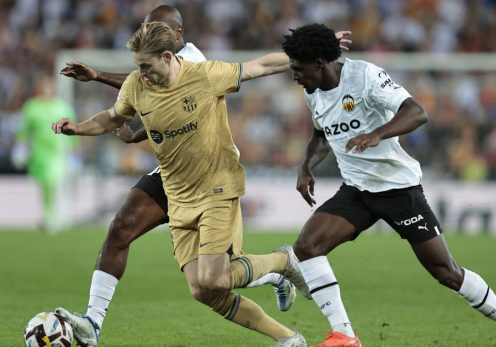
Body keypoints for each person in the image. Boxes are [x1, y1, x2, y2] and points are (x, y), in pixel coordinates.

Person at [281, 23, 496, 347]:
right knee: (307, 247)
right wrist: (306, 165)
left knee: (446, 273)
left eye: (297, 67)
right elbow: (321, 134)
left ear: (318, 62)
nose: (294, 75)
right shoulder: (312, 92)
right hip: (357, 189)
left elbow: (416, 112)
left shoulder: (364, 77)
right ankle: (345, 336)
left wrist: (378, 133)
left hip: (398, 189)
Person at [52, 21, 309, 347]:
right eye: (137, 66)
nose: (141, 72)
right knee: (204, 291)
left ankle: (283, 261)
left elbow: (260, 66)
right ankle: (289, 339)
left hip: (217, 188)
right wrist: (78, 128)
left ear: (168, 56)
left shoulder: (204, 75)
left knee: (216, 277)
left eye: (146, 65)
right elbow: (113, 117)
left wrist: (305, 54)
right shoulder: (136, 84)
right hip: (178, 196)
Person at [12, 75, 79, 234]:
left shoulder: (62, 107)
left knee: (52, 183)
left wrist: (74, 153)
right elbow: (23, 129)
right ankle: (48, 216)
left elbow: (73, 130)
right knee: (45, 186)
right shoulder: (32, 107)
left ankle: (52, 218)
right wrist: (19, 148)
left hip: (57, 153)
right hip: (38, 153)